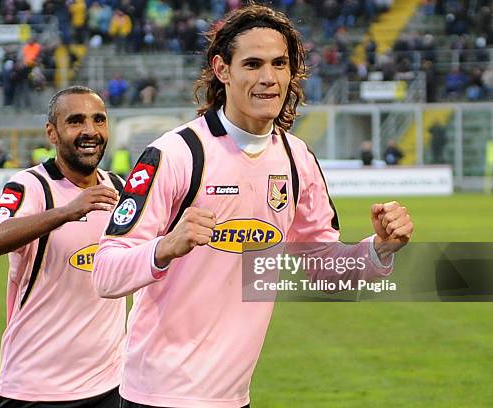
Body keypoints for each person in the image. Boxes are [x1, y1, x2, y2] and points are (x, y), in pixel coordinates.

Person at [93, 5, 413, 408]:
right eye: (253, 64)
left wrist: (379, 248)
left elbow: (321, 268)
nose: (269, 78)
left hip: (234, 398)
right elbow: (104, 274)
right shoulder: (175, 154)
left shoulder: (297, 160)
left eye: (280, 64)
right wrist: (164, 247)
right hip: (157, 395)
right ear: (222, 70)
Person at [0, 86, 126, 408]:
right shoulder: (30, 186)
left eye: (99, 120)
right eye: (75, 121)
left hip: (110, 385)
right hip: (35, 388)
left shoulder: (120, 189)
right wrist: (66, 211)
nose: (90, 131)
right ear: (52, 133)